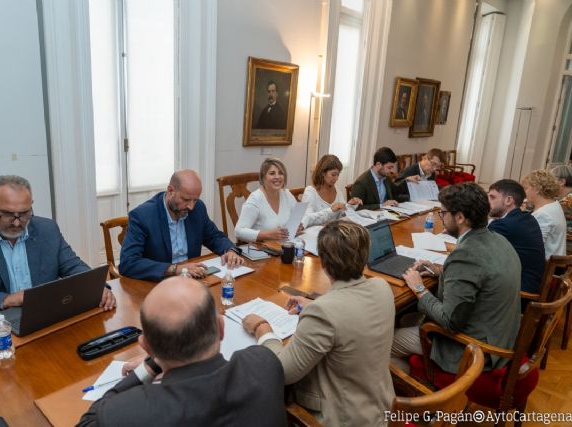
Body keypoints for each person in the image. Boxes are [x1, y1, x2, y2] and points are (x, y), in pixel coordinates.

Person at [242, 220, 395, 426]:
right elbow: (348, 308)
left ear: (323, 262)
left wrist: (264, 329)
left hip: (342, 418)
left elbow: (282, 372)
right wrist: (316, 304)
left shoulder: (324, 311)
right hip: (382, 407)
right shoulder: (382, 287)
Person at [78, 276, 286, 426]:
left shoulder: (127, 412)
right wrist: (262, 327)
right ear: (220, 329)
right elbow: (271, 350)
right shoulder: (264, 364)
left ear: (147, 347)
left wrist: (149, 365)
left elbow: (89, 420)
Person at [0, 175, 115, 319]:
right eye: (6, 215)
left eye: (24, 214)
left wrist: (98, 287)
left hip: (43, 318)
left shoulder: (47, 229)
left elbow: (73, 266)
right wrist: (7, 300)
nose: (16, 223)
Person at [391, 182, 521, 374]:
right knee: (408, 318)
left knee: (387, 342)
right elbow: (481, 275)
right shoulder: (498, 240)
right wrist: (440, 270)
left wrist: (419, 288)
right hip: (500, 333)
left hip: (474, 350)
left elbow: (450, 321)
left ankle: (416, 393)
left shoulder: (465, 255)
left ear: (459, 217)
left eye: (443, 213)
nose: (441, 217)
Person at [119, 170, 243, 281]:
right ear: (170, 191)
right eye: (186, 199)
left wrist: (230, 250)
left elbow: (214, 236)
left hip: (192, 281)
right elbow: (128, 263)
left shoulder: (197, 208)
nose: (191, 206)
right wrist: (175, 269)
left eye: (195, 200)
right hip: (159, 283)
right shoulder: (142, 216)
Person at [487, 179, 545, 294]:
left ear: (508, 200)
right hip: (529, 285)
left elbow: (476, 251)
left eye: (492, 197)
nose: (487, 202)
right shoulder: (527, 218)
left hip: (518, 293)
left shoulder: (503, 225)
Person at [235, 158, 297, 242]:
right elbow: (238, 232)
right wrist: (268, 235)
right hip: (262, 249)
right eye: (272, 173)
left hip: (285, 245)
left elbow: (297, 219)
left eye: (281, 173)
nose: (277, 177)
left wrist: (298, 226)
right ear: (263, 177)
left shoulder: (287, 194)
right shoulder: (255, 199)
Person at [301, 154, 362, 228]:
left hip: (333, 232)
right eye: (333, 175)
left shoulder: (337, 190)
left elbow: (342, 214)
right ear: (323, 173)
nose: (336, 178)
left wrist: (350, 205)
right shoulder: (310, 192)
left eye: (338, 175)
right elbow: (306, 219)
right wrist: (331, 210)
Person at [522, 170, 566, 259]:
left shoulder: (543, 213)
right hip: (556, 263)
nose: (524, 192)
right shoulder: (555, 205)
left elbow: (533, 247)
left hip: (547, 267)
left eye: (526, 188)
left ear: (537, 189)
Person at [550, 164, 572, 231]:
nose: (548, 183)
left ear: (561, 182)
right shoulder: (566, 197)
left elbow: (549, 214)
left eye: (551, 180)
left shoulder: (567, 200)